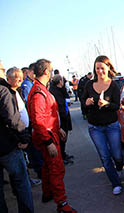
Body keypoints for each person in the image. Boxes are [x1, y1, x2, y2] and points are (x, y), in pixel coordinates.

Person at [27, 59, 77, 212]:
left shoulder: (41, 89)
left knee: (48, 167)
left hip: (50, 133)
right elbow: (38, 120)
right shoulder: (38, 93)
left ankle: (47, 192)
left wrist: (58, 129)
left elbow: (47, 115)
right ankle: (62, 203)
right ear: (47, 72)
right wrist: (49, 141)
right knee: (56, 168)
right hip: (47, 136)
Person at [82, 55, 124, 195]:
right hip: (95, 127)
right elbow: (83, 104)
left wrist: (107, 104)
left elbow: (117, 106)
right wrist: (86, 103)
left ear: (108, 68)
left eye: (102, 68)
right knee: (105, 157)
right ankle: (116, 183)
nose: (100, 71)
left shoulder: (113, 85)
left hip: (112, 125)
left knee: (117, 155)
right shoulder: (89, 85)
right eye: (97, 68)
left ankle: (119, 167)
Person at [0, 62, 34, 213]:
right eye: (2, 68)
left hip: (7, 144)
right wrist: (24, 138)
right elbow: (12, 119)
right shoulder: (3, 90)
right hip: (7, 146)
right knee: (21, 183)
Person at [49, 75, 74, 164]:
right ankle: (61, 157)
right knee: (61, 139)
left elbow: (65, 100)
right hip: (60, 119)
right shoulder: (54, 91)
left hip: (64, 117)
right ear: (60, 81)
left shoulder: (60, 90)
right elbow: (59, 106)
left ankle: (63, 154)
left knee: (64, 138)